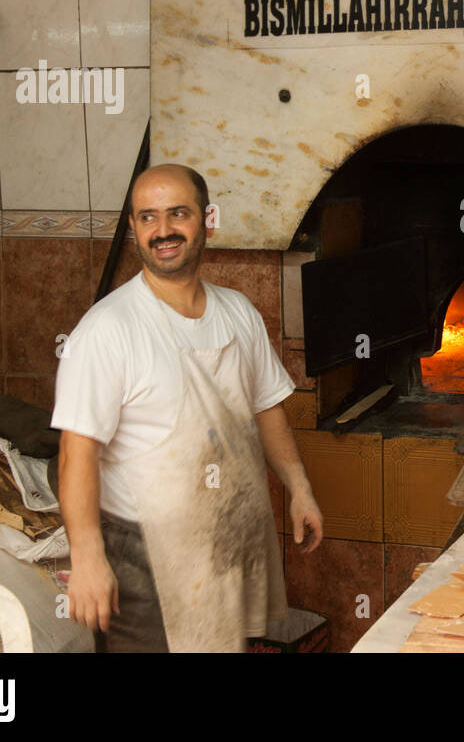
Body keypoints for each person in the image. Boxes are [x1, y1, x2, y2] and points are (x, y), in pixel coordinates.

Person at [53, 163, 323, 652]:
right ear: (133, 229)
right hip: (145, 554)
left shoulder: (237, 311)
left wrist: (298, 488)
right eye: (147, 218)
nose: (162, 231)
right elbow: (77, 452)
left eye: (178, 214)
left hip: (228, 540)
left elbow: (266, 408)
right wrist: (88, 556)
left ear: (207, 219)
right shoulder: (107, 330)